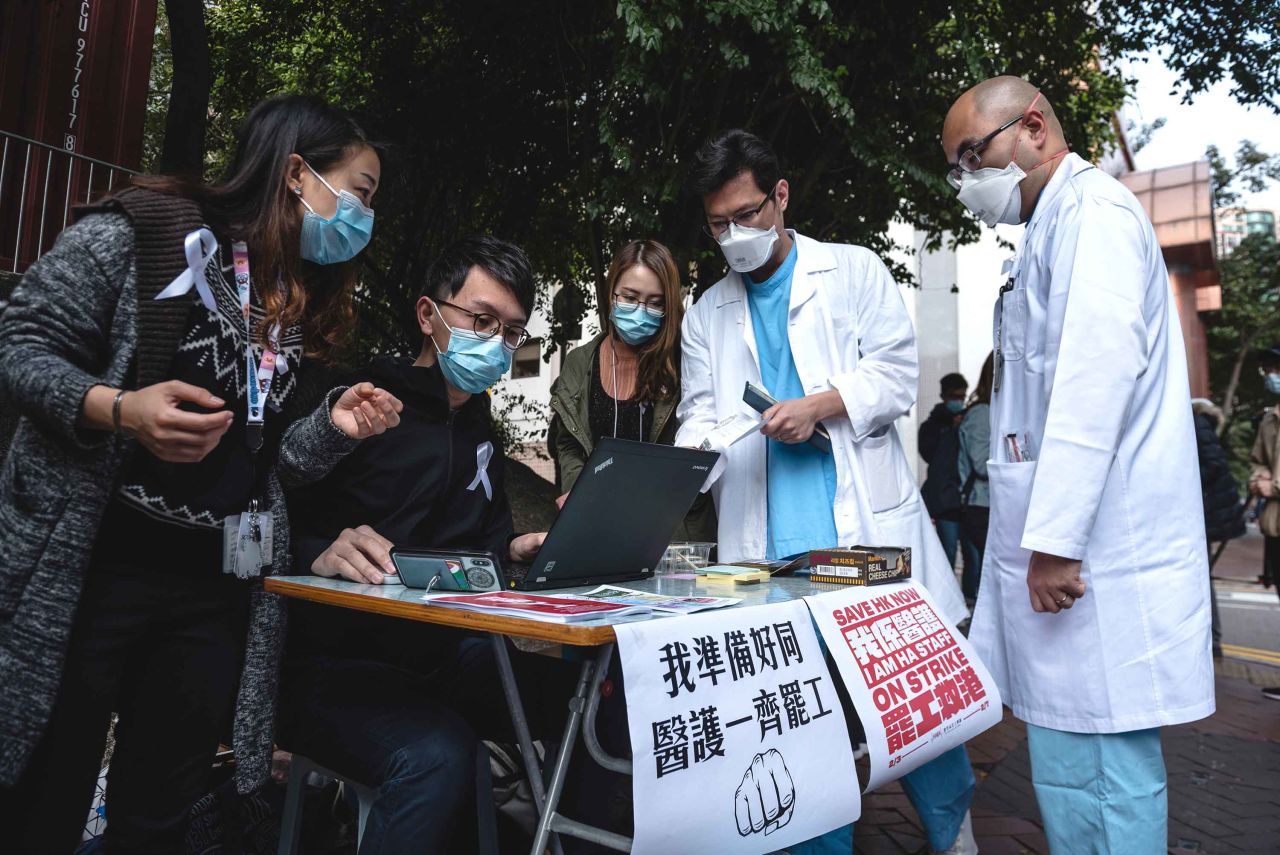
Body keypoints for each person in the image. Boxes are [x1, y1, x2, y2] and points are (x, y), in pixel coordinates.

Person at [0, 94, 402, 853]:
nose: (363, 216)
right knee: (44, 797)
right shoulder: (147, 232)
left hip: (213, 591)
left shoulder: (288, 299)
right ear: (295, 175)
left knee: (160, 812)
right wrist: (122, 409)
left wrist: (333, 427)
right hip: (95, 570)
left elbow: (265, 460)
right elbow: (20, 342)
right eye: (361, 191)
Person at [677, 128, 976, 855]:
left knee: (907, 697)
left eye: (747, 214)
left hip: (861, 537)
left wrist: (819, 403)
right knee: (797, 718)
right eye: (719, 224)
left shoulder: (852, 270)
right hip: (764, 550)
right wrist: (697, 451)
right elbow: (696, 415)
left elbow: (896, 373)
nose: (735, 235)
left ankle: (953, 828)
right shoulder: (705, 311)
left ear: (781, 197)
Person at [942, 76, 1215, 851]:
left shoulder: (1091, 216)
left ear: (1032, 128)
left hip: (1092, 558)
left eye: (973, 156)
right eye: (955, 167)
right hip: (1067, 566)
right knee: (1071, 761)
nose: (965, 181)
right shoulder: (1053, 227)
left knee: (1102, 773)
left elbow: (1092, 386)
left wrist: (1056, 540)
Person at [279, 235, 577, 853]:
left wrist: (517, 551)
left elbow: (485, 554)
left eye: (512, 331)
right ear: (428, 315)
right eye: (482, 320)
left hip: (446, 658)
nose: (495, 343)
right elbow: (271, 510)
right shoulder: (361, 406)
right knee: (439, 758)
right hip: (332, 666)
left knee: (593, 700)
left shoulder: (480, 431)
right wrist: (317, 549)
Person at [550, 238, 715, 540]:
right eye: (629, 297)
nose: (641, 311)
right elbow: (568, 443)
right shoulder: (579, 362)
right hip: (596, 527)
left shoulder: (684, 359)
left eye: (655, 303)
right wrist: (576, 491)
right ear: (611, 292)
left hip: (671, 533)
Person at [1193, 397, 1246, 659]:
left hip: (1206, 513)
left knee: (1201, 576)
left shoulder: (1197, 423)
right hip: (1210, 512)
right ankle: (1211, 639)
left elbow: (1212, 464)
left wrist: (1184, 478)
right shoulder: (1203, 423)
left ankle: (1212, 640)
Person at [920, 372, 982, 581]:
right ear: (944, 396)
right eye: (954, 396)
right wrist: (949, 431)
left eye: (961, 396)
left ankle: (971, 598)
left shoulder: (970, 420)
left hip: (968, 499)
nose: (958, 401)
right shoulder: (932, 426)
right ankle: (948, 602)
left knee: (973, 555)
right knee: (946, 555)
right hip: (945, 501)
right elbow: (931, 457)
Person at [1248, 345, 1280, 700]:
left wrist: (1275, 484)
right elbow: (1257, 461)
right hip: (1274, 524)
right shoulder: (1270, 419)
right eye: (1268, 369)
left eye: (1274, 367)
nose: (1272, 375)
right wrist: (1258, 480)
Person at [956, 354, 994, 602]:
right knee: (986, 566)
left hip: (987, 503)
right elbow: (981, 463)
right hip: (980, 504)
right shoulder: (981, 413)